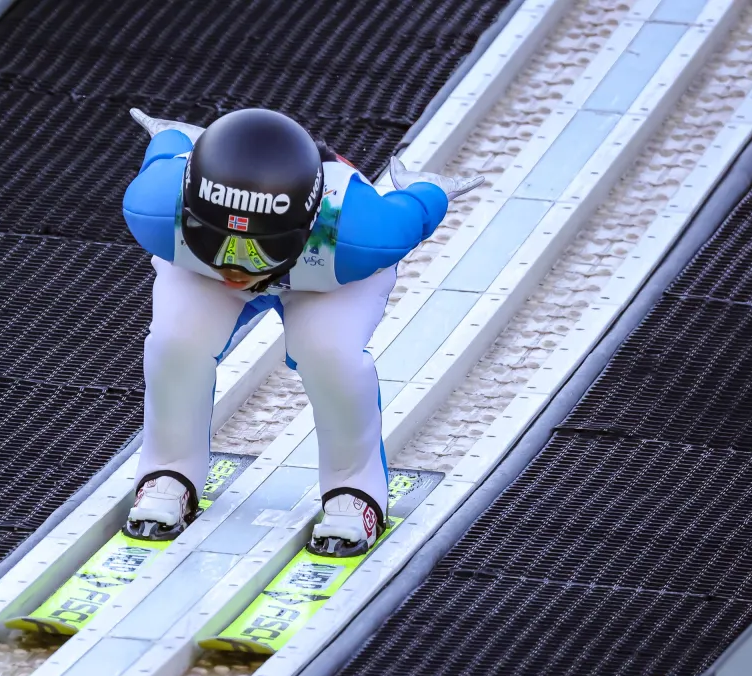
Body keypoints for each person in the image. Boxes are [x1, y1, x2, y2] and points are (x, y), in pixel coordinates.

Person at [121, 108, 483, 557]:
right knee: (177, 341)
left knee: (329, 353)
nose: (234, 266)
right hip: (259, 262)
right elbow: (167, 153)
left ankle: (354, 489)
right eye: (219, 240)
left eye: (256, 250)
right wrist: (173, 138)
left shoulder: (359, 236)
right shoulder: (156, 209)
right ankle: (169, 470)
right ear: (188, 209)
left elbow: (412, 211)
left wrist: (426, 190)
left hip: (323, 272)